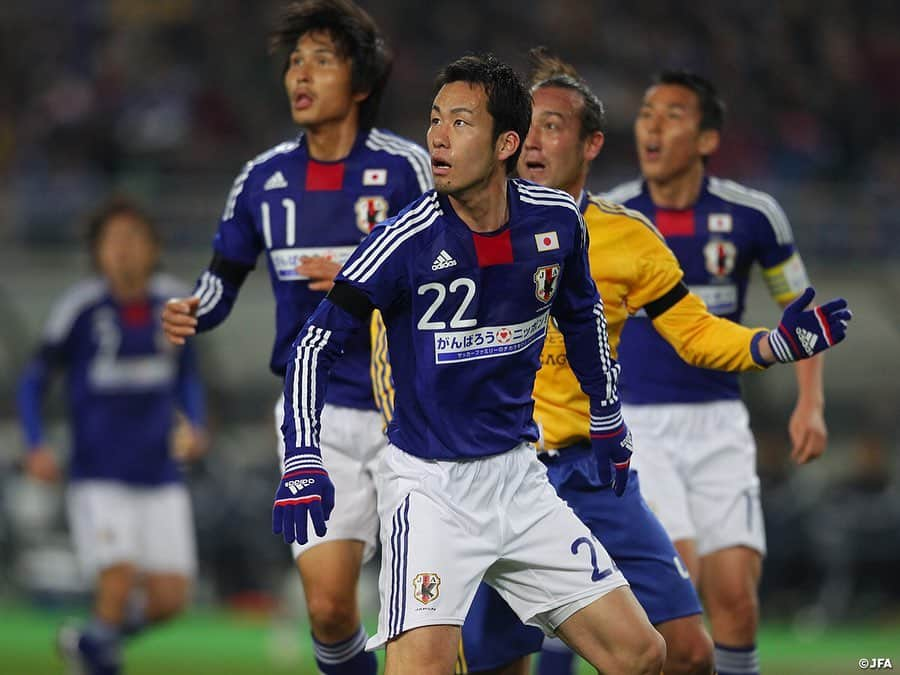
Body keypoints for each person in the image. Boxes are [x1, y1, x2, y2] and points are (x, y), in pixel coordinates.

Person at [370, 49, 852, 675]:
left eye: (555, 126)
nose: (536, 142)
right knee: (493, 664)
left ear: (591, 143)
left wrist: (774, 345)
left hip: (588, 471)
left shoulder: (623, 235)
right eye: (530, 125)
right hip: (483, 470)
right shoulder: (452, 223)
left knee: (683, 650)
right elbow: (388, 334)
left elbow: (697, 332)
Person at [273, 53, 669, 675]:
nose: (436, 136)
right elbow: (313, 346)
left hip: (518, 480)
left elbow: (583, 314)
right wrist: (302, 457)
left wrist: (608, 416)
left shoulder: (556, 223)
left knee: (643, 655)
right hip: (430, 491)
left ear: (507, 143)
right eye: (435, 120)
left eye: (459, 122)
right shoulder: (403, 239)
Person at [160, 2, 430, 672]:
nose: (300, 74)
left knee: (420, 613)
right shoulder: (262, 178)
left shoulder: (407, 170)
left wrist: (363, 273)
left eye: (323, 59)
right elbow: (224, 275)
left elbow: (453, 273)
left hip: (413, 419)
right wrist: (196, 307)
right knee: (330, 611)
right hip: (318, 419)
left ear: (361, 84)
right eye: (295, 61)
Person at [604, 70, 837, 675]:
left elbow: (801, 310)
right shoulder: (613, 216)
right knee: (676, 597)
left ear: (708, 139)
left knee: (735, 599)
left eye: (673, 114)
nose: (652, 124)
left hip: (719, 425)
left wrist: (809, 403)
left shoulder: (752, 214)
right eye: (647, 112)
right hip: (638, 425)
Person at [16, 197, 207, 675]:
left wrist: (196, 423)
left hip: (160, 472)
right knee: (117, 579)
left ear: (153, 248)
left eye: (133, 239)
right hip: (99, 472)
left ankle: (87, 643)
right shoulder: (79, 307)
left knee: (170, 598)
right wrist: (36, 441)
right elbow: (34, 378)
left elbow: (188, 375)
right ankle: (98, 660)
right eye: (112, 241)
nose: (123, 251)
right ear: (97, 252)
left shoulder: (175, 302)